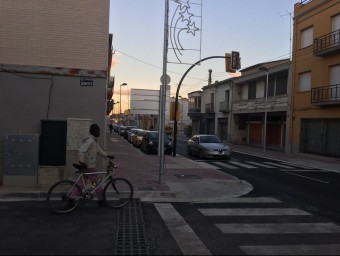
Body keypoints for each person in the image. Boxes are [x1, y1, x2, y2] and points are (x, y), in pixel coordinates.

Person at [74, 123, 114, 205]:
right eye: (98, 131)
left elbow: (99, 150)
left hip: (88, 166)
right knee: (98, 183)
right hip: (89, 166)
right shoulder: (90, 141)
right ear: (94, 131)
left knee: (81, 184)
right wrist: (82, 162)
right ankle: (101, 201)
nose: (99, 132)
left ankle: (71, 198)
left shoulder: (94, 141)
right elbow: (81, 151)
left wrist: (108, 155)